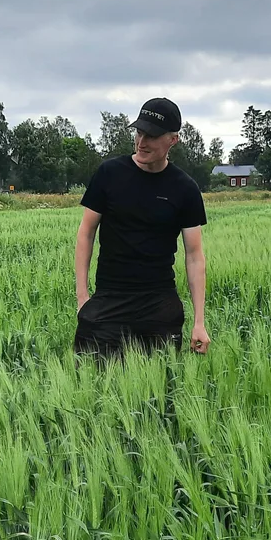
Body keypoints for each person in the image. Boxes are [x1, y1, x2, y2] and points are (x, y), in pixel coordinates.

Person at [74, 97, 209, 360]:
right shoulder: (109, 174)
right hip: (109, 297)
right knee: (92, 381)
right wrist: (83, 298)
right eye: (139, 132)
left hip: (159, 303)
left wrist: (199, 322)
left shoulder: (185, 188)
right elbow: (86, 234)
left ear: (173, 140)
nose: (141, 142)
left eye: (152, 135)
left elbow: (194, 256)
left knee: (161, 383)